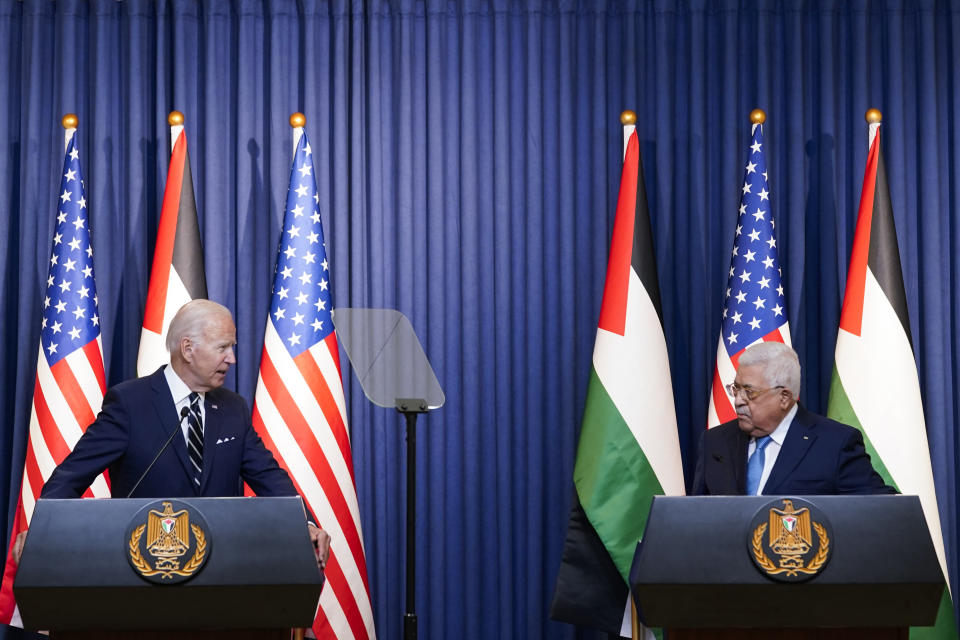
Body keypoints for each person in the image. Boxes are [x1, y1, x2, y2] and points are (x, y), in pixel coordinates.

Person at [14, 299, 330, 567]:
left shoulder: (233, 409)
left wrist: (305, 524)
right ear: (188, 348)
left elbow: (269, 477)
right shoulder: (130, 403)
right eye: (223, 347)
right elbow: (73, 474)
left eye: (232, 347)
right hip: (142, 568)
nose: (232, 358)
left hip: (221, 574)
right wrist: (41, 528)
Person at [692, 342, 895, 496]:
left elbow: (879, 511)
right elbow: (696, 517)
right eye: (736, 389)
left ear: (784, 397)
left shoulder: (834, 444)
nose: (738, 401)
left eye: (749, 392)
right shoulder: (715, 441)